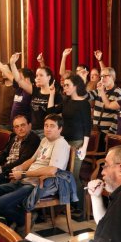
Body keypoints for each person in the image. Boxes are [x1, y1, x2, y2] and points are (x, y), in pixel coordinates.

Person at [0, 114, 70, 234]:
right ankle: (7, 223)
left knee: (0, 203)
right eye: (46, 125)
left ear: (60, 129)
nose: (48, 128)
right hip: (26, 180)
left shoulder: (61, 144)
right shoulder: (44, 140)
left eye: (52, 126)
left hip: (40, 185)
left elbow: (52, 170)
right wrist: (18, 168)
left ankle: (22, 221)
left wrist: (23, 174)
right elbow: (32, 160)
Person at [47, 74, 91, 216]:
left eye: (67, 85)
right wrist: (52, 94)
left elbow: (87, 127)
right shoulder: (66, 101)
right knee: (64, 173)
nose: (64, 88)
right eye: (64, 85)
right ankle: (67, 204)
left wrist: (84, 147)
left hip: (77, 143)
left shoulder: (84, 103)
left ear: (76, 86)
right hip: (65, 142)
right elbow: (50, 112)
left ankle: (80, 207)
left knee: (73, 174)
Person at [10, 53, 63, 139]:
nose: (37, 78)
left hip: (45, 132)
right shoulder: (35, 90)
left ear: (49, 77)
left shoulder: (56, 95)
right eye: (37, 75)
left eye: (41, 75)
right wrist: (12, 63)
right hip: (33, 130)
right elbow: (19, 80)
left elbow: (57, 119)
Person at [0, 115, 40, 186]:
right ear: (14, 129)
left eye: (23, 125)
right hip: (4, 169)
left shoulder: (33, 139)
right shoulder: (14, 137)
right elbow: (4, 153)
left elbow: (22, 161)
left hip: (13, 174)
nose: (20, 129)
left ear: (29, 126)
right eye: (17, 126)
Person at [88, 66, 121, 151]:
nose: (102, 78)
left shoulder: (119, 92)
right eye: (101, 76)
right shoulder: (100, 90)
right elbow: (86, 96)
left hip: (107, 133)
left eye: (105, 76)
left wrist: (111, 133)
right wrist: (81, 79)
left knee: (104, 159)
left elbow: (119, 115)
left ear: (112, 76)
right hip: (96, 131)